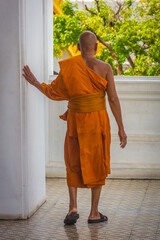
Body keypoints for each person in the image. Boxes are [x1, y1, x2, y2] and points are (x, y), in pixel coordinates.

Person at [22, 31, 127, 225]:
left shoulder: (69, 67)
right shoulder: (105, 68)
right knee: (98, 162)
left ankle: (73, 207)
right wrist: (121, 127)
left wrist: (36, 82)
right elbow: (113, 98)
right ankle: (94, 213)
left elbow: (53, 92)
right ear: (96, 48)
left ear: (78, 48)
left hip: (76, 122)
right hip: (97, 122)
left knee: (72, 161)